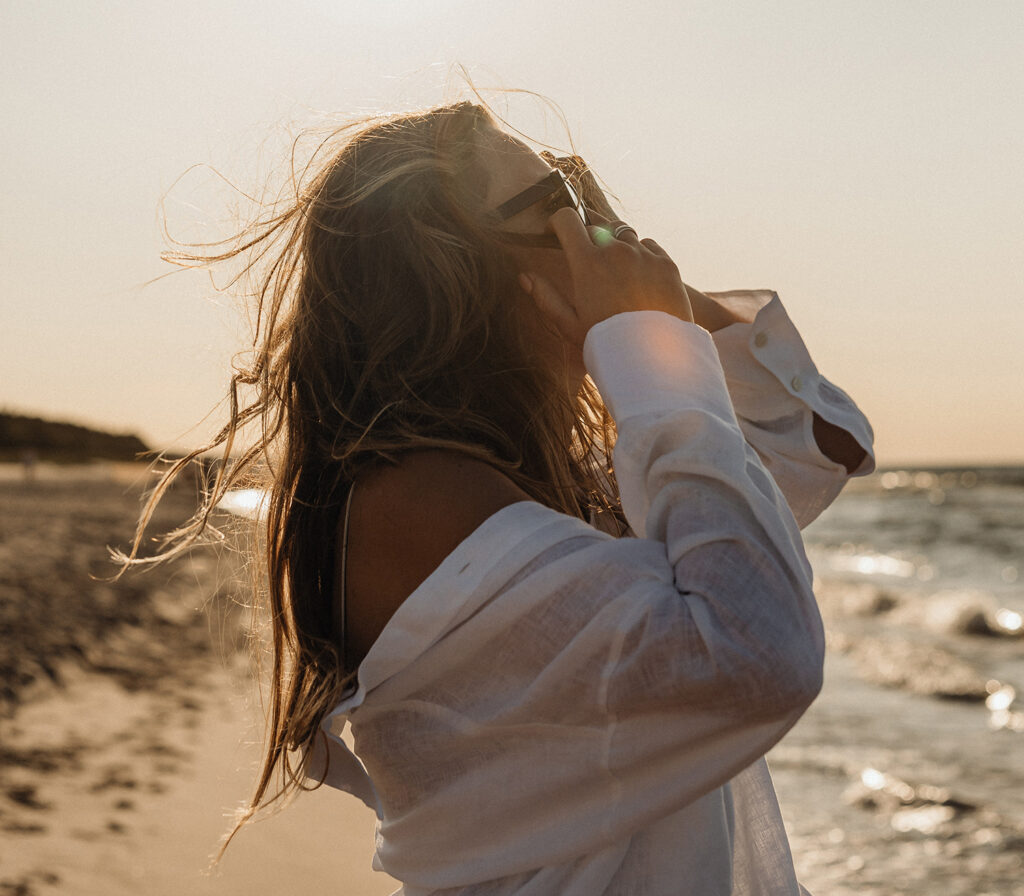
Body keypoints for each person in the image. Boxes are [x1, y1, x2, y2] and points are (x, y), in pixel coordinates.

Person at [121, 100, 873, 895]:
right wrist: (644, 339)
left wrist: (644, 291)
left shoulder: (551, 475)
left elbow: (817, 444)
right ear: (454, 268)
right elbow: (761, 656)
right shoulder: (417, 503)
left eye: (584, 203)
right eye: (557, 206)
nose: (592, 232)